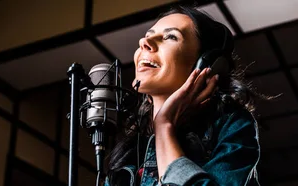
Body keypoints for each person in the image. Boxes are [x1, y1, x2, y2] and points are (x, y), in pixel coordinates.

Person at [104, 5, 270, 186]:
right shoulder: (129, 151)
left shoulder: (231, 126)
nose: (145, 42)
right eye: (148, 35)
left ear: (205, 64)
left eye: (170, 36)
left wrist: (164, 127)